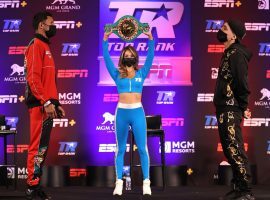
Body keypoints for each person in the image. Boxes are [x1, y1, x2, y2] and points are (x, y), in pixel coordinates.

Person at [103, 29, 154, 196]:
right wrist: (105, 40)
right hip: (122, 113)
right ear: (123, 57)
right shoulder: (117, 73)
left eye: (132, 54)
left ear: (136, 57)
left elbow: (151, 58)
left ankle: (146, 182)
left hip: (138, 111)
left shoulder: (141, 72)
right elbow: (107, 59)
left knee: (142, 148)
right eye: (127, 53)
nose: (129, 56)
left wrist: (151, 40)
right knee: (120, 150)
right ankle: (119, 183)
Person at [24, 11, 65, 200]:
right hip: (40, 107)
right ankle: (32, 187)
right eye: (51, 23)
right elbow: (33, 78)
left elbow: (48, 81)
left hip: (47, 106)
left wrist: (55, 103)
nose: (53, 26)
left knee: (42, 148)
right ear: (42, 25)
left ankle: (36, 184)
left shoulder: (45, 46)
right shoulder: (35, 45)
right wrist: (46, 101)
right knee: (36, 147)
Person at [214, 19, 255, 200]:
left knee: (234, 148)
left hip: (231, 107)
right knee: (230, 149)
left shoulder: (236, 54)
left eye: (225, 28)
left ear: (233, 36)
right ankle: (239, 187)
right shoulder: (228, 53)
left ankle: (246, 191)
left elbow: (241, 82)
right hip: (225, 107)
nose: (220, 30)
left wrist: (244, 105)